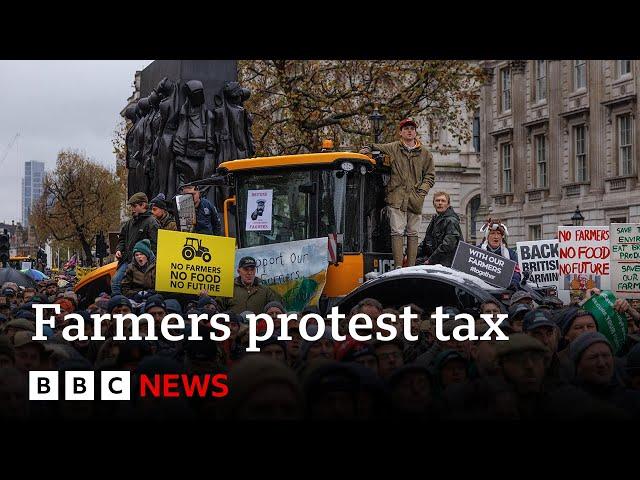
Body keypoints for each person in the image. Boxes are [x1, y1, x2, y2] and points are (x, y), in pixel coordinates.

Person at [360, 117, 435, 269]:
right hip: (396, 197)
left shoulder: (425, 153)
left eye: (412, 128)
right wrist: (367, 148)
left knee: (413, 232)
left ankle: (411, 267)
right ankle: (399, 267)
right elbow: (375, 145)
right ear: (400, 132)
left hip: (415, 198)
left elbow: (430, 175)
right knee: (397, 231)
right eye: (406, 128)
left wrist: (422, 191)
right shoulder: (393, 147)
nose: (409, 131)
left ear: (415, 132)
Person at [112, 192, 159, 296]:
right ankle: (120, 305)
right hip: (128, 260)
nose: (132, 208)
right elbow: (122, 238)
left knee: (119, 283)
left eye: (134, 206)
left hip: (143, 263)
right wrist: (119, 249)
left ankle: (122, 305)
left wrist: (150, 262)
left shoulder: (152, 222)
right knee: (116, 282)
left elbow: (156, 245)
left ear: (143, 205)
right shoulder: (130, 222)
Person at [417, 191, 463, 267]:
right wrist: (411, 254)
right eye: (437, 200)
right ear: (434, 204)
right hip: (436, 259)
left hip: (447, 263)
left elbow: (447, 245)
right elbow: (426, 243)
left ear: (448, 205)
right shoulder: (435, 219)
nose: (440, 203)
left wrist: (430, 260)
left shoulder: (451, 220)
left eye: (443, 201)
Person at [478, 218, 521, 288]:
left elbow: (516, 271)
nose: (496, 237)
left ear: (502, 236)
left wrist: (513, 281)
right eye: (492, 233)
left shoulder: (510, 254)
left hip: (504, 290)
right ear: (487, 236)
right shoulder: (477, 251)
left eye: (498, 233)